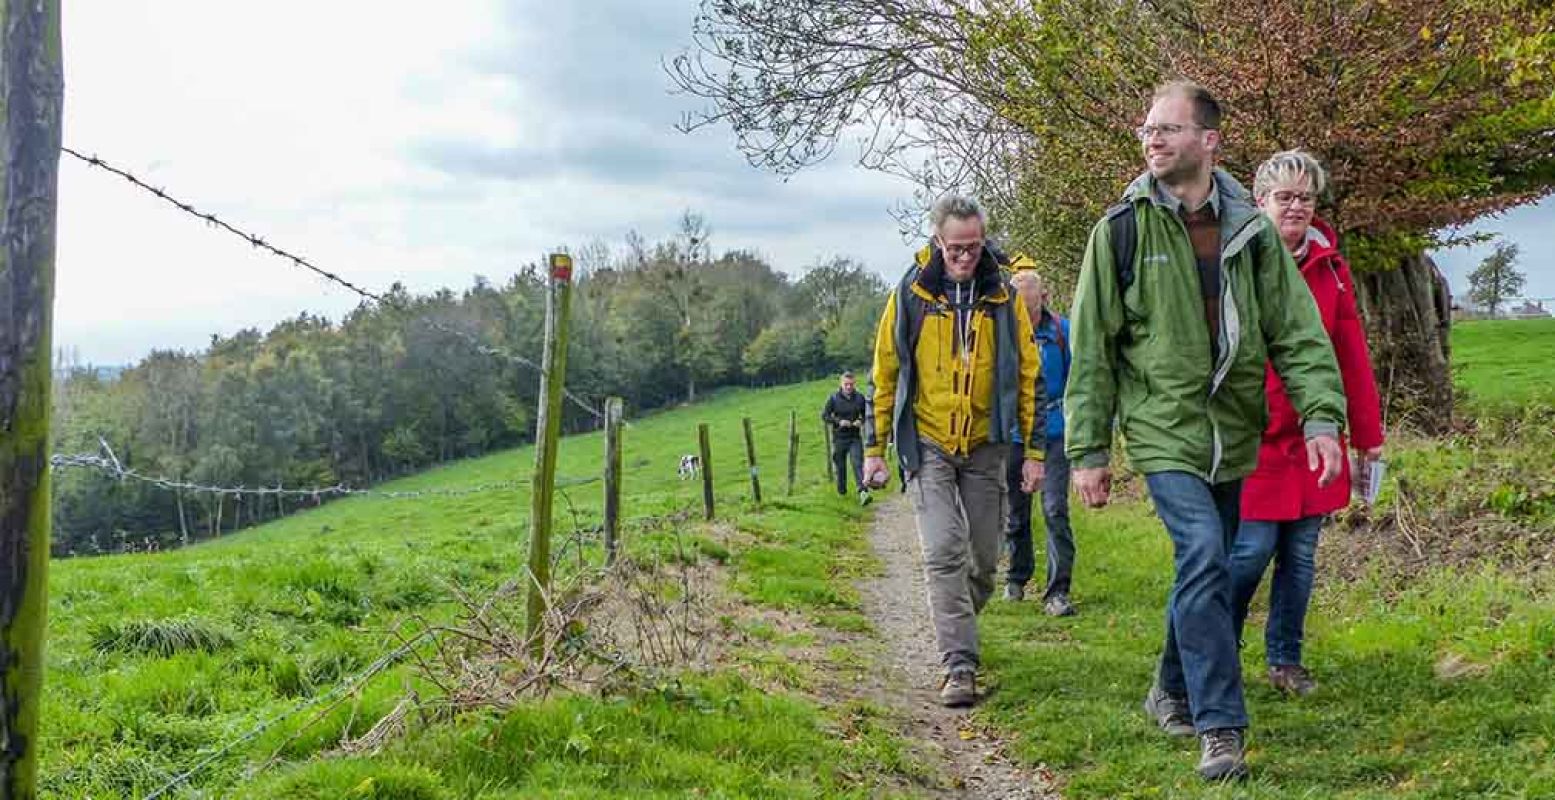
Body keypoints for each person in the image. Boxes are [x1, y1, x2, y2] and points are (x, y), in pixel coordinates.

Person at [1064, 81, 1347, 781]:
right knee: (1202, 553)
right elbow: (1093, 348)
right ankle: (1219, 728)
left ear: (1209, 141)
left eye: (1167, 129)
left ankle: (1169, 684)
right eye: (1146, 130)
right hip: (1163, 429)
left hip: (1233, 431)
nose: (1151, 140)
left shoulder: (1250, 231)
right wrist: (1089, 448)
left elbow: (1296, 331)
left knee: (1209, 565)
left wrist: (1319, 415)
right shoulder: (1120, 231)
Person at [863, 195, 1044, 708]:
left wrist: (1034, 451)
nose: (965, 257)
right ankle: (959, 665)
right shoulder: (910, 295)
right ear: (937, 242)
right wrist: (874, 449)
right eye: (955, 248)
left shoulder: (1004, 299)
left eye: (973, 247)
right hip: (929, 443)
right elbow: (886, 373)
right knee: (943, 550)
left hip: (987, 444)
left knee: (984, 561)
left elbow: (1030, 377)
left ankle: (955, 617)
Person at [1230, 150, 1384, 697]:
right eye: (1284, 196)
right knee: (1247, 554)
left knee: (1300, 555)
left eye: (1305, 197)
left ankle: (1285, 660)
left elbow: (1351, 357)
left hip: (1315, 441)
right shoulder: (1237, 260)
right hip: (1252, 439)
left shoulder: (1332, 269)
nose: (1296, 206)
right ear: (1260, 201)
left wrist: (1369, 439)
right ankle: (1217, 653)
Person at [1003, 270, 1077, 616]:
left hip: (1054, 432)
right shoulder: (1002, 334)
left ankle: (1057, 591)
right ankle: (1016, 578)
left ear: (1043, 299)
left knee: (1055, 510)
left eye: (1031, 309)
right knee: (1016, 512)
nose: (1026, 318)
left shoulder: (1063, 332)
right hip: (1015, 434)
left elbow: (1078, 379)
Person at [822, 370, 871, 504]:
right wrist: (838, 422)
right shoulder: (833, 398)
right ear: (841, 384)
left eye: (851, 384)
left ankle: (863, 491)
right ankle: (841, 490)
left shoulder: (860, 398)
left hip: (854, 437)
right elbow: (825, 416)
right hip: (839, 438)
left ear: (854, 384)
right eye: (846, 384)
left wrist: (860, 421)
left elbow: (866, 414)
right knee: (840, 466)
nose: (849, 387)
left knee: (857, 463)